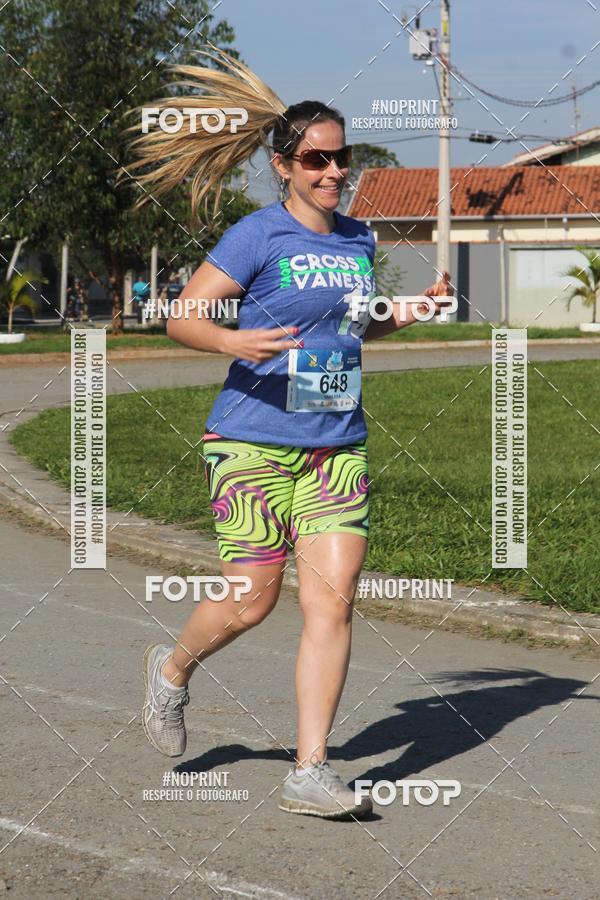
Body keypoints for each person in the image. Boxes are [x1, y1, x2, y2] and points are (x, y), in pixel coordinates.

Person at [125, 46, 453, 820]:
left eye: (342, 158)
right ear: (284, 166)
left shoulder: (359, 239)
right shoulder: (258, 235)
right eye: (317, 159)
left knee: (332, 606)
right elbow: (182, 316)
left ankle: (310, 771)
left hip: (336, 444)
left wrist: (408, 311)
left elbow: (351, 327)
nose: (334, 171)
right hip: (250, 443)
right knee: (251, 602)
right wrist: (231, 340)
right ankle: (172, 672)